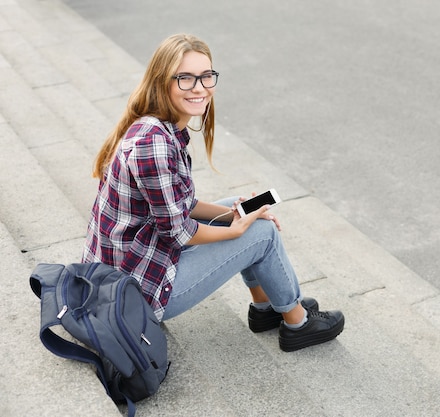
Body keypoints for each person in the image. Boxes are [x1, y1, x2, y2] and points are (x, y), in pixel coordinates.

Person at [82, 33, 344, 352]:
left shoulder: (156, 126)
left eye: (206, 76)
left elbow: (181, 206)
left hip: (130, 264)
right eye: (185, 78)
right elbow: (178, 231)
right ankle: (297, 322)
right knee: (260, 233)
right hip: (136, 293)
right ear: (162, 81)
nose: (199, 87)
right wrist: (236, 230)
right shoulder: (154, 146)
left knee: (241, 213)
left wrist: (232, 216)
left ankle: (266, 309)